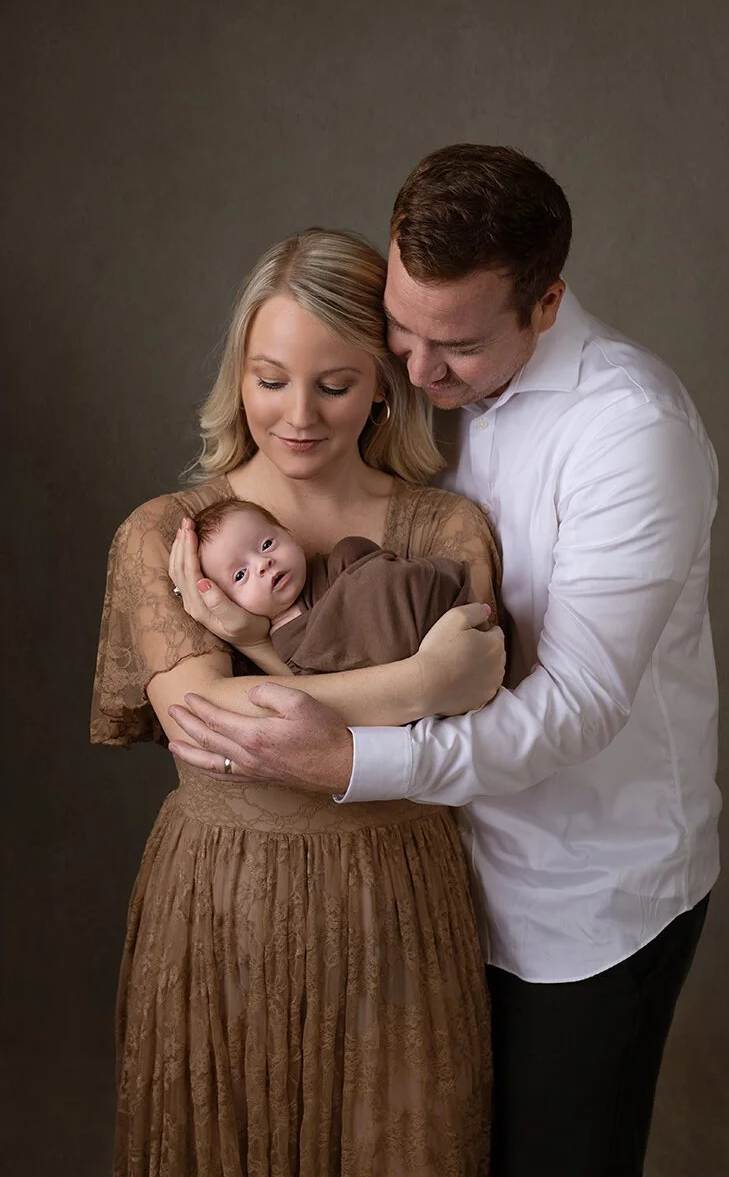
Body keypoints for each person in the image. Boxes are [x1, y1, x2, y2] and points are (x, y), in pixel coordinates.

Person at [169, 146, 722, 1177]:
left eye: (457, 346)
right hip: (431, 891)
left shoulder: (629, 434)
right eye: (402, 330)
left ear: (546, 304)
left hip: (584, 896)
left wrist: (349, 760)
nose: (418, 374)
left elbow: (577, 705)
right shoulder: (415, 403)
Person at [91, 227, 506, 1177]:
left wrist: (246, 649)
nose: (299, 415)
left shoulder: (444, 526)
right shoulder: (166, 535)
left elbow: (480, 707)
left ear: (384, 384)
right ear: (238, 376)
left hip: (400, 900)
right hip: (222, 901)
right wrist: (421, 683)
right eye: (271, 379)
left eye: (335, 384)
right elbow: (208, 726)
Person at [180, 494, 482, 676]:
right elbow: (329, 688)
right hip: (401, 669)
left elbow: (382, 577)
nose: (263, 563)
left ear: (289, 535)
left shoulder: (336, 563)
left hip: (424, 613)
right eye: (240, 575)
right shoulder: (284, 645)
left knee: (355, 553)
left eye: (267, 544)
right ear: (226, 601)